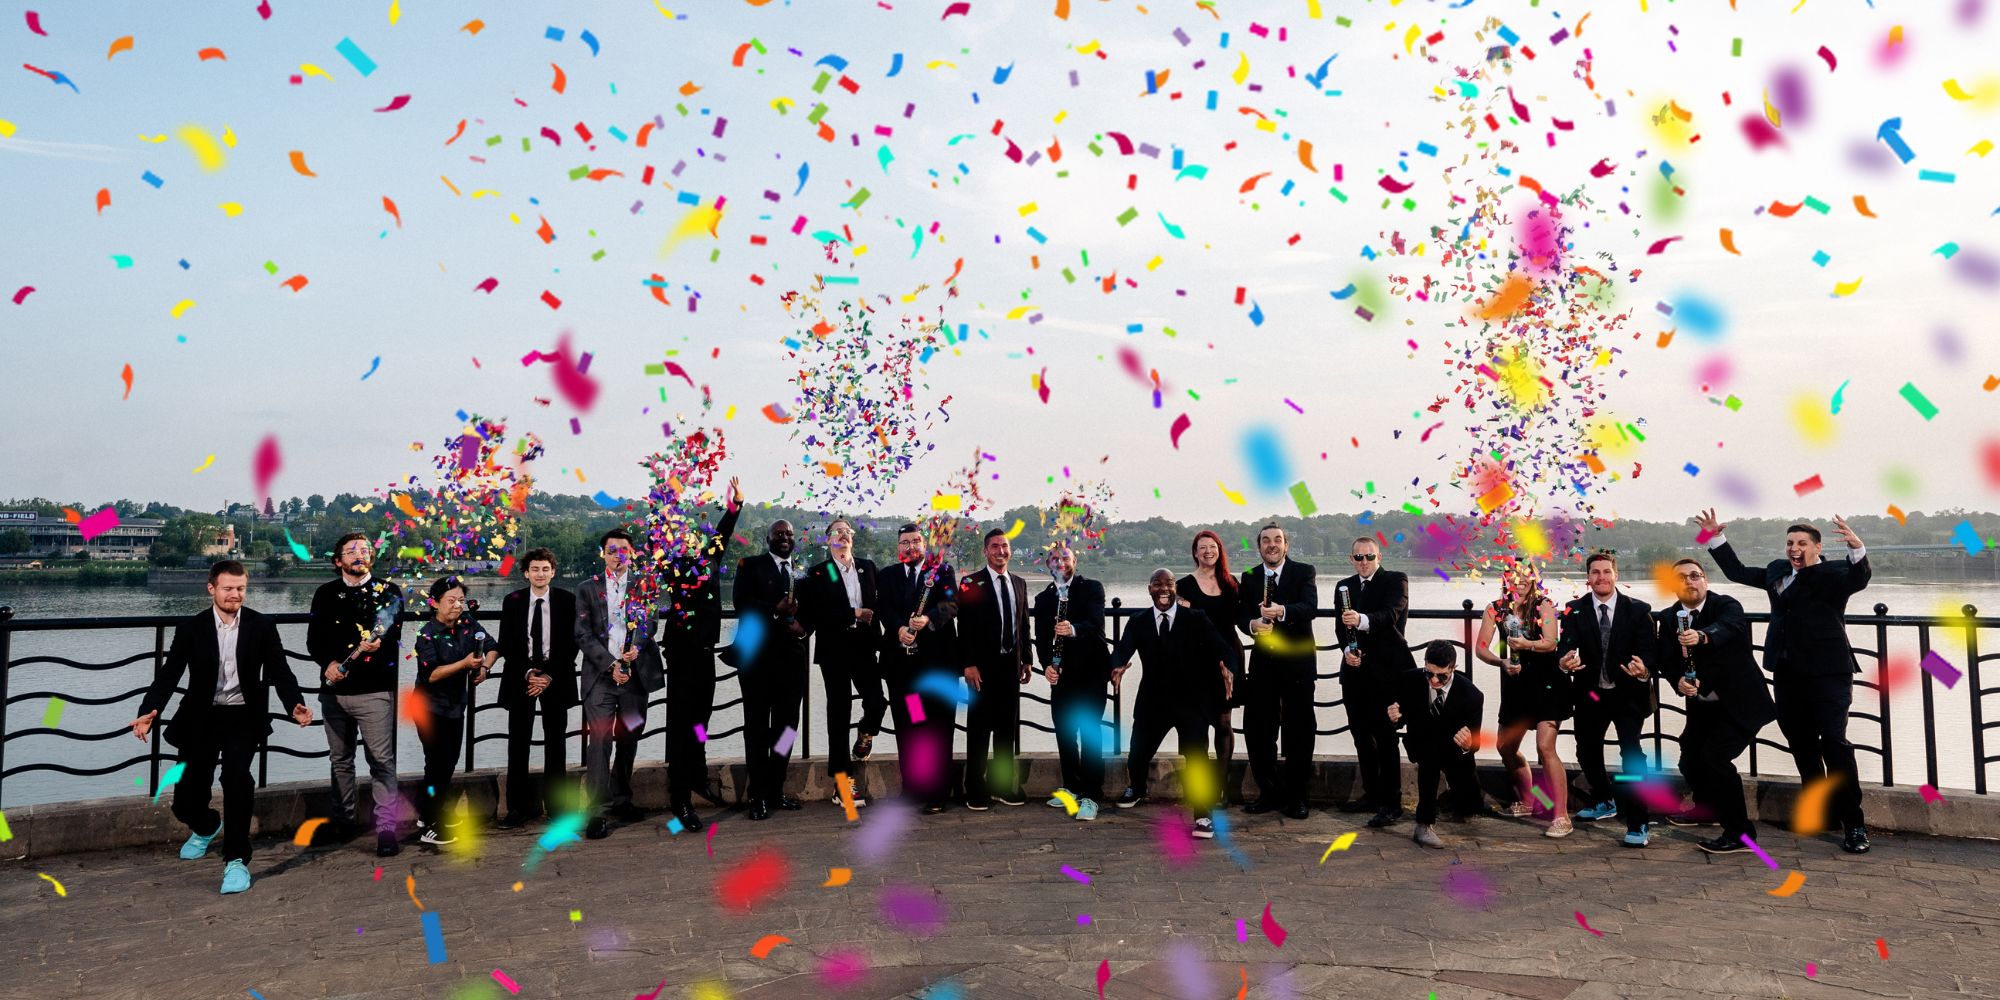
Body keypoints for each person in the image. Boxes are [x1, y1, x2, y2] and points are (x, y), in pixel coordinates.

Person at [1697, 509, 1873, 854]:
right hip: (1788, 673)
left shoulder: (1834, 573)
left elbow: (1859, 579)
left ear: (1817, 547)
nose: (1794, 548)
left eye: (1802, 543)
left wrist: (1858, 550)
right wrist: (1714, 537)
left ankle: (1854, 824)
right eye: (1790, 542)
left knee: (1835, 744)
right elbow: (1737, 572)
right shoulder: (1778, 572)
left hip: (1829, 674)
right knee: (1802, 745)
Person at [131, 560, 312, 894]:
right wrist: (148, 711)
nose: (235, 595)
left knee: (236, 779)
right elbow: (169, 675)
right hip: (200, 717)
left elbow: (280, 670)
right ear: (211, 588)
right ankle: (207, 825)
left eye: (241, 588)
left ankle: (237, 861)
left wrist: (294, 704)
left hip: (242, 716)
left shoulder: (261, 625)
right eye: (228, 588)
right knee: (185, 799)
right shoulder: (191, 628)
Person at [1654, 557, 1779, 854]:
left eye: (1695, 575)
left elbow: (1730, 628)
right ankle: (1707, 810)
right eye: (1682, 577)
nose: (1689, 581)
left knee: (1715, 760)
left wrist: (1702, 636)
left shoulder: (1726, 606)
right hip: (1703, 706)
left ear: (1704, 580)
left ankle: (1740, 835)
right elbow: (1666, 659)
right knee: (1690, 757)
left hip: (1741, 704)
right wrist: (1678, 682)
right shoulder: (1670, 617)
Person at [1110, 569, 1233, 838]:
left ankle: (1203, 816)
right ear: (1149, 589)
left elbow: (1222, 646)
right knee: (1137, 754)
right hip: (1153, 701)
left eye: (1169, 584)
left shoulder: (1195, 618)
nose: (1163, 589)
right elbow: (1122, 649)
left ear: (1176, 588)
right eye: (1157, 584)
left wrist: (1228, 667)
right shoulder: (1138, 620)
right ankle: (1138, 788)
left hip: (1190, 701)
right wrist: (1116, 667)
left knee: (1197, 758)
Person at [305, 532, 405, 857]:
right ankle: (343, 822)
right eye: (351, 551)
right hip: (333, 693)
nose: (359, 554)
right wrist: (328, 663)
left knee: (381, 761)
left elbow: (395, 641)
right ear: (338, 561)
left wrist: (381, 644)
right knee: (340, 760)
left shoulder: (389, 593)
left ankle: (387, 829)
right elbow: (313, 640)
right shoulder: (324, 594)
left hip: (375, 692)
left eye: (364, 550)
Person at [1557, 551, 1660, 847]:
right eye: (1595, 572)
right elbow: (1566, 645)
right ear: (1587, 578)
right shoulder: (1574, 609)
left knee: (1631, 754)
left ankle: (1638, 821)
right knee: (1586, 751)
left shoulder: (1639, 610)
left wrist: (1645, 671)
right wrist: (1565, 661)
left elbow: (1650, 651)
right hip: (1591, 692)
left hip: (1628, 693)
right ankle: (1605, 800)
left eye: (1606, 572)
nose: (1601, 577)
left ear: (1616, 575)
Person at [658, 477, 741, 832]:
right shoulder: (671, 568)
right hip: (680, 657)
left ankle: (697, 779)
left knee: (700, 724)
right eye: (685, 538)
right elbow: (657, 537)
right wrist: (664, 501)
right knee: (679, 727)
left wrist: (735, 506)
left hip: (705, 655)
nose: (692, 543)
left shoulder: (708, 562)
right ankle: (680, 800)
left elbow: (721, 535)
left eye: (696, 538)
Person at [574, 528, 664, 839]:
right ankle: (596, 812)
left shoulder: (645, 585)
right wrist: (611, 665)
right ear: (604, 554)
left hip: (636, 676)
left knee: (630, 738)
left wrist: (636, 648)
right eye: (612, 550)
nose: (617, 555)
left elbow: (649, 622)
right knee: (599, 742)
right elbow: (582, 633)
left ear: (631, 553)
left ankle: (622, 798)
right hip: (600, 676)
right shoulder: (587, 588)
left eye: (623, 550)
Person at [1474, 561, 1568, 829]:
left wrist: (1528, 644)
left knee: (1544, 747)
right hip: (1515, 684)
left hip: (1547, 683)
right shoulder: (1496, 608)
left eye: (1526, 576)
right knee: (1506, 747)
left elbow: (1551, 641)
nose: (1520, 581)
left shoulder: (1544, 605)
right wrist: (1501, 662)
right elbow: (1481, 648)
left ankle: (1561, 816)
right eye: (1514, 576)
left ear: (1534, 579)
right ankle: (1527, 802)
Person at [1332, 536, 1417, 828]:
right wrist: (1347, 651)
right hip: (1355, 673)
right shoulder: (1343, 586)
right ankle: (1371, 794)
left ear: (1379, 556)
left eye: (1369, 556)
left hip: (1388, 673)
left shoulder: (1396, 580)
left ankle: (1392, 804)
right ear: (1351, 559)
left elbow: (1390, 615)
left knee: (1386, 738)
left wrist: (1361, 619)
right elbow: (1339, 628)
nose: (1364, 562)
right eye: (1358, 557)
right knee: (1360, 736)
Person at [1236, 523, 1319, 820]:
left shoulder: (1304, 571)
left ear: (1287, 545)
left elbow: (1310, 607)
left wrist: (1281, 612)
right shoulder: (1248, 577)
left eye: (1278, 540)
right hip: (1263, 665)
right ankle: (1268, 793)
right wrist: (1252, 625)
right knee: (1258, 731)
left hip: (1298, 664)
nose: (1272, 545)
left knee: (1299, 732)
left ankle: (1297, 798)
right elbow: (1241, 614)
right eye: (1266, 541)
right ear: (1259, 547)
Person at [801, 518, 884, 809]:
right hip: (834, 651)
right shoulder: (819, 573)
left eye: (847, 531)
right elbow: (819, 613)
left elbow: (881, 605)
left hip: (864, 648)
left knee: (877, 702)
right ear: (828, 540)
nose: (843, 535)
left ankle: (865, 734)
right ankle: (843, 786)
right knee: (838, 717)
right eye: (836, 532)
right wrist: (854, 613)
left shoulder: (868, 567)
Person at [876, 523, 959, 814]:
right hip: (904, 672)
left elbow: (952, 603)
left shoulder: (942, 571)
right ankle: (912, 788)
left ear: (924, 545)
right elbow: (884, 608)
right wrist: (898, 629)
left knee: (938, 727)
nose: (910, 547)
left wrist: (929, 620)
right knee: (910, 727)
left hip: (937, 668)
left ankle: (938, 793)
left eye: (915, 541)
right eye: (904, 543)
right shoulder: (887, 576)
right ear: (898, 548)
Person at [733, 520, 811, 820]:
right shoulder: (749, 565)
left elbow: (813, 610)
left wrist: (805, 629)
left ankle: (776, 790)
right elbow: (740, 603)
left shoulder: (801, 572)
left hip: (791, 662)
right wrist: (773, 609)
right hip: (756, 662)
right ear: (767, 538)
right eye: (779, 533)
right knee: (755, 730)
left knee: (788, 729)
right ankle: (758, 795)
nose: (785, 537)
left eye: (790, 533)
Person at [496, 548, 578, 830]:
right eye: (535, 569)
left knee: (556, 745)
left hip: (556, 677)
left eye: (545, 569)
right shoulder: (513, 600)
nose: (540, 574)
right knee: (517, 745)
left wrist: (549, 676)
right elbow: (506, 642)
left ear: (553, 572)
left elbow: (572, 644)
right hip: (522, 678)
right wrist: (529, 673)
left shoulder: (568, 601)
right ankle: (517, 809)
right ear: (525, 573)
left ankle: (557, 808)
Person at [411, 576, 496, 847]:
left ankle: (428, 815)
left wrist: (484, 668)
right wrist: (464, 664)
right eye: (451, 600)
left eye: (461, 600)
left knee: (447, 762)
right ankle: (430, 824)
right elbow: (431, 674)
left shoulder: (467, 623)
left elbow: (493, 647)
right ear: (435, 603)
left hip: (455, 706)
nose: (457, 605)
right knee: (436, 763)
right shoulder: (426, 633)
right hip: (428, 707)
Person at [1036, 543, 1111, 822]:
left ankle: (1092, 795)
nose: (1060, 562)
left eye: (1065, 557)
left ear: (1074, 560)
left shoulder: (1092, 588)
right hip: (1062, 677)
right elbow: (1042, 639)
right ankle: (1072, 788)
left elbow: (1096, 624)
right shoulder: (1044, 598)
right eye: (1054, 558)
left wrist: (1074, 629)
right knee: (1065, 733)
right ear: (1048, 564)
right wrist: (1046, 666)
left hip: (1091, 673)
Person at [958, 527, 1032, 810]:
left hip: (1010, 666)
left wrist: (1027, 658)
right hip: (980, 670)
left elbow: (1023, 624)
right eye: (995, 547)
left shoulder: (1019, 583)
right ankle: (975, 788)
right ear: (985, 551)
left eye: (1005, 546)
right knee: (978, 729)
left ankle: (1002, 786)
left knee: (1005, 730)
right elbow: (963, 628)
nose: (1001, 551)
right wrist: (968, 664)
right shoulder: (970, 583)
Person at [1388, 641, 1486, 849]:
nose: (1434, 680)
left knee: (1469, 802)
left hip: (1453, 750)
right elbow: (1401, 713)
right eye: (1429, 673)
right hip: (1424, 743)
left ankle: (1461, 799)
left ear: (1453, 669)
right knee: (1429, 762)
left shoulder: (1472, 696)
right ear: (1424, 665)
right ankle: (1424, 824)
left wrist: (1468, 743)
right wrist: (1395, 716)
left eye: (1441, 676)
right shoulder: (1410, 680)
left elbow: (1474, 741)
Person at [1177, 531, 1244, 799]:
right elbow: (1179, 622)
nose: (1207, 551)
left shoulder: (1231, 583)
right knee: (1199, 724)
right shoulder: (1183, 584)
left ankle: (1222, 786)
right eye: (1202, 547)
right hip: (1198, 660)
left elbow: (1240, 619)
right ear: (1195, 553)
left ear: (1220, 550)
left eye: (1212, 546)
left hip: (1228, 656)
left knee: (1224, 722)